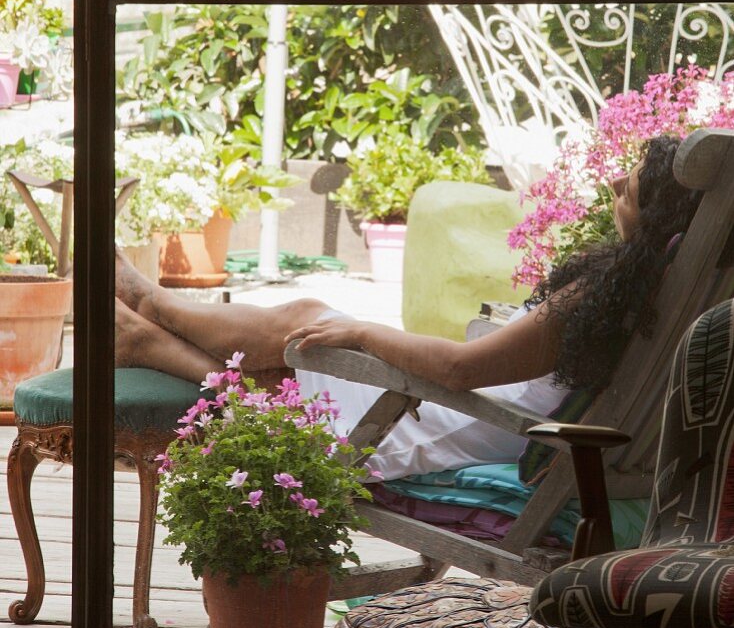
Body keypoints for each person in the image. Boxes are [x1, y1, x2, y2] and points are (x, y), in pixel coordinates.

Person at [115, 134, 701, 480]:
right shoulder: (656, 295)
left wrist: (364, 334)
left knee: (308, 326)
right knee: (304, 346)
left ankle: (151, 304)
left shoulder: (595, 300)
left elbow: (460, 370)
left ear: (659, 219)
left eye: (633, 182)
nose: (618, 181)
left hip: (453, 417)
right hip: (479, 418)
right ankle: (145, 337)